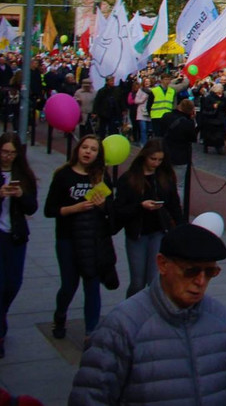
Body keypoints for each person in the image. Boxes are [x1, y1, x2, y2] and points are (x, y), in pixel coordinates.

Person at [69, 222, 226, 405]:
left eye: (210, 272)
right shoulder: (121, 328)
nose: (200, 281)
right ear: (163, 264)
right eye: (191, 271)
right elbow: (90, 396)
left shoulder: (224, 322)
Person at [45, 135, 116, 341]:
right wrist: (73, 208)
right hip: (67, 237)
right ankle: (60, 316)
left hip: (93, 239)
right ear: (77, 149)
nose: (88, 152)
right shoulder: (63, 175)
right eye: (85, 147)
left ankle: (91, 332)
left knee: (92, 284)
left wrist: (103, 204)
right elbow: (50, 210)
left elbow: (111, 211)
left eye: (93, 149)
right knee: (69, 284)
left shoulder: (101, 177)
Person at [113, 139, 183, 298]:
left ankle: (151, 313)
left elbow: (174, 204)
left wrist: (180, 228)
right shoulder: (129, 178)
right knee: (137, 282)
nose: (156, 163)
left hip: (158, 231)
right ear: (144, 156)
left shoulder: (165, 177)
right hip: (137, 232)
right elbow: (119, 208)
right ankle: (131, 310)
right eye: (153, 159)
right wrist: (140, 205)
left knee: (153, 279)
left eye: (160, 160)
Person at [0, 133, 36, 356]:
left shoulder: (22, 175)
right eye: (4, 152)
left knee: (13, 284)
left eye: (12, 153)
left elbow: (32, 207)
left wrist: (21, 195)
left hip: (15, 235)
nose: (8, 157)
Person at [160, 99, 197, 195]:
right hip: (181, 156)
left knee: (162, 182)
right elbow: (192, 138)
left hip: (164, 153)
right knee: (179, 185)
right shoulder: (188, 123)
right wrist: (192, 120)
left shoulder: (166, 116)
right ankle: (178, 207)